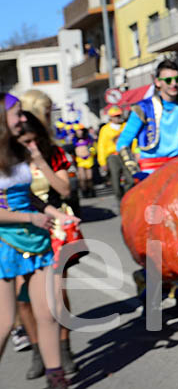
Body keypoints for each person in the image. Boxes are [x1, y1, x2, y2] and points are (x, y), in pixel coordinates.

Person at [0, 93, 78, 388]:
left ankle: (57, 380)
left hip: (36, 241)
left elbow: (27, 196)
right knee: (5, 322)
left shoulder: (19, 151)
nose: (23, 118)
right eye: (17, 114)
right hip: (4, 243)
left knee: (48, 313)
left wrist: (56, 213)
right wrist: (30, 218)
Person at [18, 112, 82, 377]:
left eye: (32, 140)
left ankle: (64, 348)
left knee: (57, 294)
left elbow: (65, 190)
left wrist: (40, 161)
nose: (28, 146)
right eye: (23, 141)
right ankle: (37, 351)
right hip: (19, 228)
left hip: (55, 225)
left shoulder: (54, 154)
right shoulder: (7, 160)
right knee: (24, 299)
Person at [115, 59, 178, 178]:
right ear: (158, 82)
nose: (174, 84)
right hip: (152, 173)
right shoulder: (144, 108)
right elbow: (123, 142)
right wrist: (135, 172)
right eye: (168, 80)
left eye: (177, 79)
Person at [97, 105, 134, 202]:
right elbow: (101, 146)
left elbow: (133, 141)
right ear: (111, 117)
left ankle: (127, 197)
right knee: (115, 180)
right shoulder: (105, 129)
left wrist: (135, 152)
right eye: (115, 116)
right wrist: (102, 162)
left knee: (131, 179)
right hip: (112, 156)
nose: (118, 118)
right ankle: (120, 199)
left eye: (119, 115)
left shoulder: (126, 126)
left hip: (126, 154)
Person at [72, 126, 95, 198]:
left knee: (89, 177)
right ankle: (84, 191)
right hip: (80, 161)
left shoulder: (88, 138)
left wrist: (91, 152)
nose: (79, 132)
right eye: (78, 130)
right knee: (82, 178)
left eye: (80, 130)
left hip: (88, 159)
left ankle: (91, 190)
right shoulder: (74, 139)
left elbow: (92, 147)